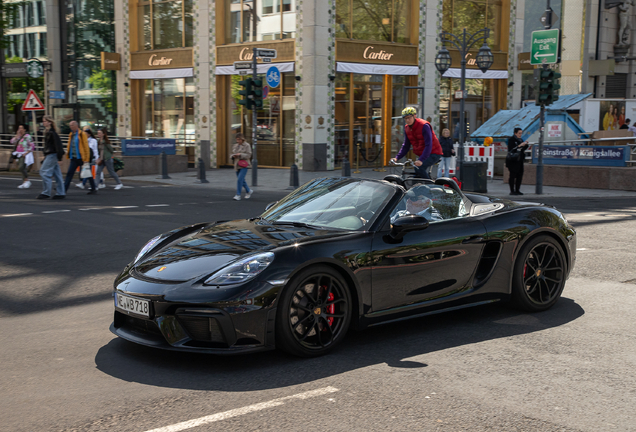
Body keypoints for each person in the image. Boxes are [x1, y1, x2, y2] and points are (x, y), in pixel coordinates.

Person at [391, 107, 443, 180]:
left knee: (419, 168)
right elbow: (406, 146)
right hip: (423, 154)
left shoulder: (424, 126)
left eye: (409, 117)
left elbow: (429, 145)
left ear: (414, 116)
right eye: (405, 118)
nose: (407, 120)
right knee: (416, 178)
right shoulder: (407, 128)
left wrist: (421, 159)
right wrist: (396, 158)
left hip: (434, 152)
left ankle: (430, 187)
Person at [63, 120, 97, 195]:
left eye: (72, 125)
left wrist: (86, 159)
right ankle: (64, 190)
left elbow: (86, 147)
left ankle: (93, 188)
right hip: (74, 157)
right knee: (69, 173)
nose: (70, 127)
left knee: (87, 173)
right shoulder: (71, 134)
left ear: (76, 126)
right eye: (70, 125)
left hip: (81, 158)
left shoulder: (82, 134)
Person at [37, 116, 66, 199]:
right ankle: (61, 193)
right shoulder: (49, 132)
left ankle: (46, 192)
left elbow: (58, 146)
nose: (43, 122)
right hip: (52, 154)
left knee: (44, 172)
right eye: (43, 121)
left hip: (52, 154)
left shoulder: (52, 133)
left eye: (45, 121)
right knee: (57, 174)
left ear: (50, 122)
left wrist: (59, 158)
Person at [507, 127, 530, 196]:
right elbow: (511, 149)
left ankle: (517, 190)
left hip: (520, 160)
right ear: (515, 133)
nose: (520, 135)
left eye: (521, 133)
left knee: (519, 175)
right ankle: (512, 190)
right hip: (513, 160)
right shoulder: (511, 140)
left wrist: (525, 145)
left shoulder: (520, 139)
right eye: (519, 133)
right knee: (512, 175)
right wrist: (519, 145)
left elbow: (522, 149)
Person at [11, 124, 35, 189]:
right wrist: (17, 135)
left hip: (25, 154)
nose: (20, 129)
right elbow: (12, 141)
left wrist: (27, 152)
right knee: (21, 168)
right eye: (19, 128)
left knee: (22, 167)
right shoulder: (19, 137)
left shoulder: (27, 136)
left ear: (25, 129)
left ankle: (27, 180)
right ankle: (24, 182)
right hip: (19, 154)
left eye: (21, 128)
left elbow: (32, 146)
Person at [231, 133, 253, 201]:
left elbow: (249, 155)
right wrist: (233, 156)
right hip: (237, 165)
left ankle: (238, 195)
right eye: (237, 139)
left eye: (239, 139)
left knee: (240, 179)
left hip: (244, 164)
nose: (238, 141)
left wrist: (240, 154)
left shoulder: (247, 145)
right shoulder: (235, 146)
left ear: (242, 139)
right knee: (242, 180)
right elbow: (232, 153)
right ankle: (248, 191)